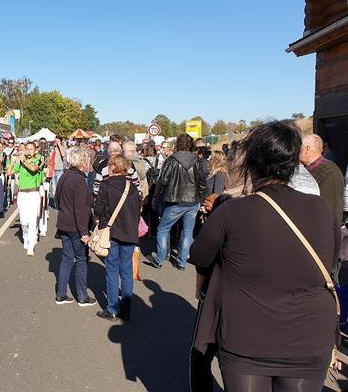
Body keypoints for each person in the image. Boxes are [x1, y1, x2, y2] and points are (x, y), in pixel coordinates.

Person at [190, 121, 340, 391]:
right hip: (309, 336)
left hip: (247, 338)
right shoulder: (322, 209)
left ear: (252, 165)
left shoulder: (233, 211)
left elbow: (200, 253)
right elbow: (329, 263)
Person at [95, 155, 142, 321]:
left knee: (112, 270)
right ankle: (126, 309)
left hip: (112, 233)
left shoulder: (106, 185)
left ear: (113, 167)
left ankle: (112, 309)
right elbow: (138, 210)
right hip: (130, 233)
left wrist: (102, 218)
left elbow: (98, 208)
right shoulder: (133, 187)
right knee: (127, 271)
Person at [151, 133, 206, 270]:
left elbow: (162, 181)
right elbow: (202, 184)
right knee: (188, 232)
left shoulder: (171, 160)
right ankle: (181, 262)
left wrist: (155, 196)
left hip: (175, 200)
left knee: (163, 228)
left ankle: (160, 259)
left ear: (177, 144)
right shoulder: (197, 161)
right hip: (193, 201)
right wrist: (201, 200)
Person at [54, 147, 96, 307]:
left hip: (64, 223)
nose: (88, 163)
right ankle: (82, 296)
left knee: (66, 259)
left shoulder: (64, 176)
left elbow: (57, 198)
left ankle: (61, 294)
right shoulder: (79, 180)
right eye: (86, 160)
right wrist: (84, 232)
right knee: (81, 260)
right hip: (75, 226)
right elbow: (81, 209)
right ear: (82, 161)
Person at [7, 141, 44, 256]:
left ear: (35, 151)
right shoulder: (20, 162)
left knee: (33, 220)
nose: (28, 151)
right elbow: (9, 172)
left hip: (33, 193)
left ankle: (31, 245)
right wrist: (14, 161)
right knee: (23, 221)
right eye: (27, 149)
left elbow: (34, 169)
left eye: (31, 149)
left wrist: (23, 161)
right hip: (22, 194)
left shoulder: (39, 159)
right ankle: (26, 237)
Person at [300, 134, 345, 223]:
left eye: (299, 148)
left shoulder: (330, 171)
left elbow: (331, 208)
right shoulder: (309, 169)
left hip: (323, 230)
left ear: (306, 149)